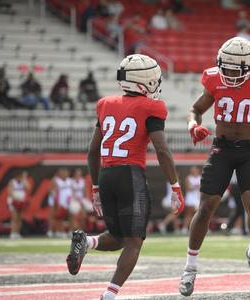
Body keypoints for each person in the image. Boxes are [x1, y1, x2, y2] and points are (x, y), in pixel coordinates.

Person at [179, 37, 250, 296]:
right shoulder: (214, 79)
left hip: (249, 151)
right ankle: (190, 268)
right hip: (221, 148)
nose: (228, 74)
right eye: (225, 67)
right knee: (205, 207)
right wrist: (192, 126)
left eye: (234, 70)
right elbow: (195, 109)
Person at [65, 54, 185, 300]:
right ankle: (110, 295)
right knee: (134, 241)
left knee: (119, 237)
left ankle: (86, 243)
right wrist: (175, 185)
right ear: (144, 82)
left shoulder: (105, 103)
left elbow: (92, 151)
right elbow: (162, 150)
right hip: (130, 175)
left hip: (107, 174)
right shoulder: (153, 107)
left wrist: (96, 187)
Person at [49, 168, 73, 238]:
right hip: (61, 201)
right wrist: (56, 201)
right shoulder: (56, 180)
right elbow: (54, 191)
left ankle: (70, 231)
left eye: (66, 173)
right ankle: (59, 231)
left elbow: (72, 190)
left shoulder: (70, 180)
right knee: (59, 217)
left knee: (71, 216)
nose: (64, 174)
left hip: (69, 201)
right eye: (63, 173)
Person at [7, 171, 30, 239]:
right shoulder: (12, 181)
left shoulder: (23, 181)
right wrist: (16, 200)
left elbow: (28, 188)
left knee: (19, 218)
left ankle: (17, 233)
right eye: (22, 175)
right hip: (14, 201)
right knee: (14, 218)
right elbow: (10, 192)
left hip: (21, 202)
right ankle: (12, 233)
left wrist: (25, 179)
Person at [182, 166, 201, 234]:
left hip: (198, 199)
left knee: (200, 214)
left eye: (195, 170)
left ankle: (200, 229)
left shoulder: (201, 178)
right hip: (190, 199)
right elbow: (188, 188)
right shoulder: (188, 178)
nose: (194, 172)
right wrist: (196, 186)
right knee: (189, 215)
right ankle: (184, 228)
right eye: (192, 170)